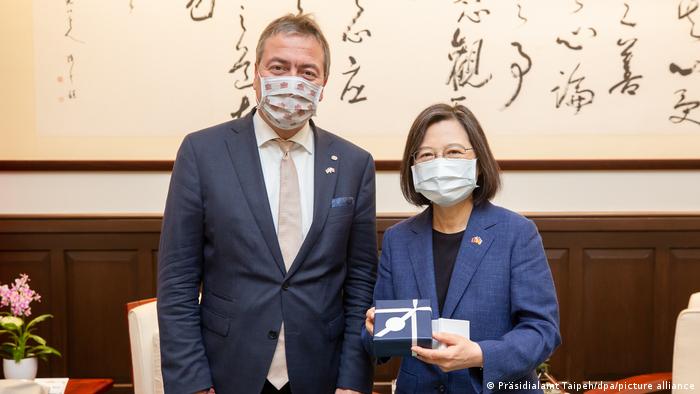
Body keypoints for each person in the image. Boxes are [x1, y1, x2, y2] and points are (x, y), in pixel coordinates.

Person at [157, 14, 377, 394]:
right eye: (279, 67)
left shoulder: (354, 163)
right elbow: (177, 281)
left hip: (321, 374)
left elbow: (360, 284)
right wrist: (193, 383)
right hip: (227, 370)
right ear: (256, 74)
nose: (293, 80)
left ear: (323, 85)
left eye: (308, 72)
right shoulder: (202, 152)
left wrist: (353, 381)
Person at [364, 104, 560, 393]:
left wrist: (480, 355)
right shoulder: (399, 239)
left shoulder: (517, 233)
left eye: (454, 152)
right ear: (414, 169)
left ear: (479, 164)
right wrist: (373, 331)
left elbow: (543, 332)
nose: (440, 162)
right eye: (427, 155)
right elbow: (380, 342)